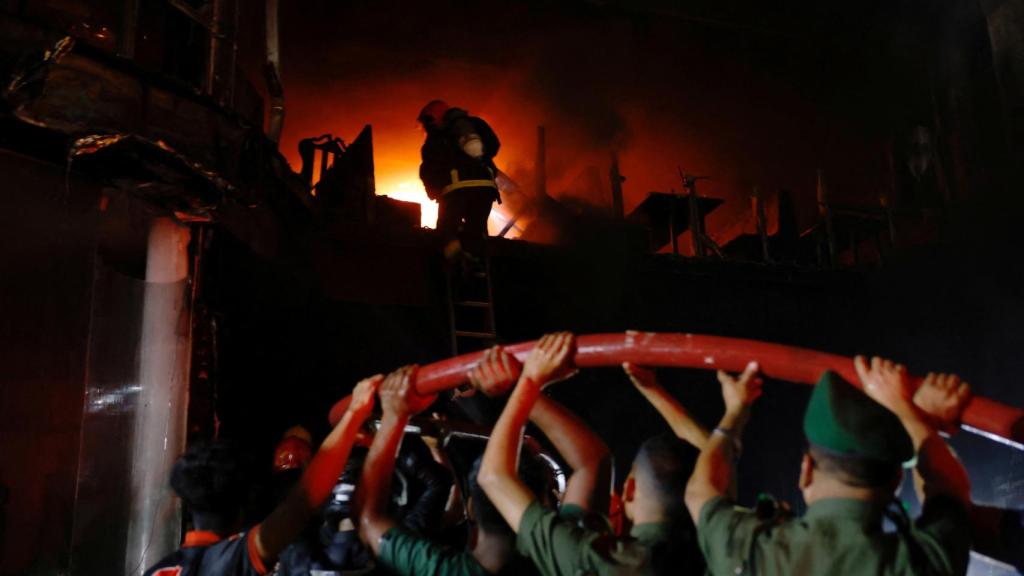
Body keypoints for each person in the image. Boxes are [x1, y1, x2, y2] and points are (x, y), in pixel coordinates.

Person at [685, 357, 972, 576]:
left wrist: (735, 410)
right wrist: (913, 415)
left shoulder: (750, 554)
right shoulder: (921, 563)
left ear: (806, 470)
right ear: (897, 480)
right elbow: (949, 488)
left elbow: (700, 490)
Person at [356, 350, 611, 576]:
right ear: (546, 502)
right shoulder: (566, 555)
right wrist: (522, 388)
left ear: (471, 508)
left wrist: (393, 413)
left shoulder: (443, 570)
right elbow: (592, 462)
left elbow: (368, 521)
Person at [477, 333, 704, 576]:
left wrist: (528, 382)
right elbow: (593, 462)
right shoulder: (720, 549)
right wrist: (654, 390)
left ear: (630, 490)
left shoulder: (591, 557)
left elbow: (494, 477)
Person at [143, 376, 382, 576]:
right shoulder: (226, 562)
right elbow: (301, 504)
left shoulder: (160, 569)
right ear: (243, 505)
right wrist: (354, 414)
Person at [417, 99, 501, 260]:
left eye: (427, 121)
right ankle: (478, 267)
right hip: (486, 190)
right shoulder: (476, 124)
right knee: (477, 229)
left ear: (433, 118)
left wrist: (433, 192)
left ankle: (454, 264)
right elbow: (494, 145)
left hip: (456, 192)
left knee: (446, 230)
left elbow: (428, 171)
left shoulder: (434, 139)